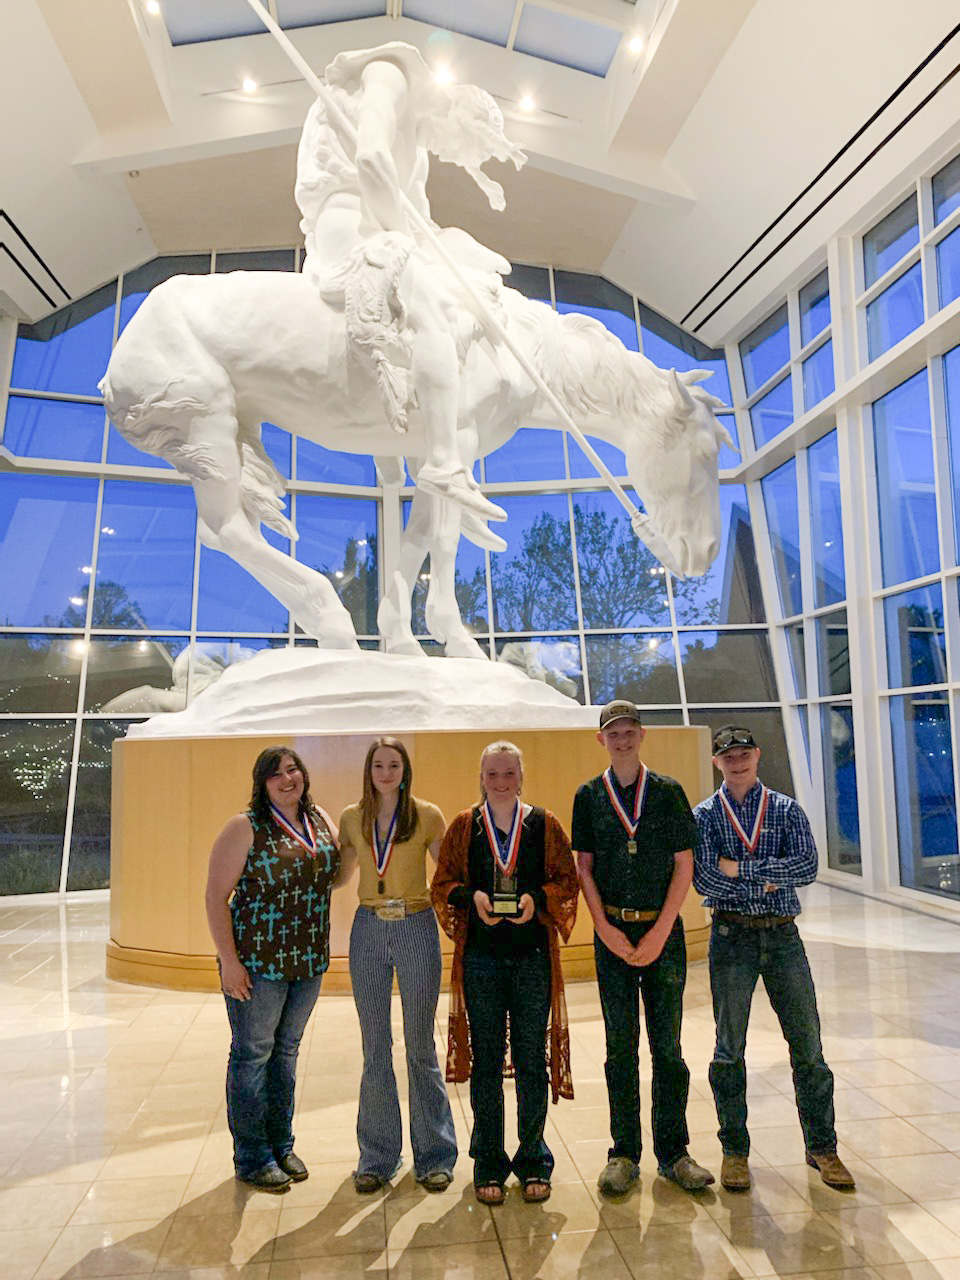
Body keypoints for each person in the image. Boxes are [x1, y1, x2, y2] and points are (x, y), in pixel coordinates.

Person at [295, 42, 525, 544]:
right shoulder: (388, 75)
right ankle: (442, 461)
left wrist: (461, 250)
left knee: (466, 291)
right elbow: (373, 160)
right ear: (458, 113)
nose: (451, 155)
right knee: (434, 306)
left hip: (379, 226)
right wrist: (409, 247)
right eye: (462, 147)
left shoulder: (417, 148)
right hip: (349, 221)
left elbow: (423, 223)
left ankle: (412, 442)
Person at [692, 725, 855, 1192]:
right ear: (716, 762)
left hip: (783, 938)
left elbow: (806, 867)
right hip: (731, 938)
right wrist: (768, 877)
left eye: (744, 753)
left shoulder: (785, 809)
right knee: (729, 1051)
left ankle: (822, 1147)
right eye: (728, 756)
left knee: (809, 1049)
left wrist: (742, 868)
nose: (737, 761)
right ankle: (735, 1151)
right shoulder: (704, 816)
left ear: (757, 756)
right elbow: (706, 880)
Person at [573, 700, 714, 1197]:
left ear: (642, 734)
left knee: (668, 1048)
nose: (623, 739)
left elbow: (684, 864)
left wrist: (660, 931)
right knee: (619, 1047)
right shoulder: (589, 796)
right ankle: (624, 1153)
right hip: (611, 934)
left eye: (630, 731)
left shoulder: (669, 792)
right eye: (614, 732)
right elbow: (584, 867)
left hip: (663, 935)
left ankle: (674, 1152)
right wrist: (604, 927)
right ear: (602, 740)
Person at [431, 740, 578, 1205]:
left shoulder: (544, 823)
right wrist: (470, 898)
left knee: (532, 1058)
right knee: (488, 1060)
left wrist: (536, 899)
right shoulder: (463, 825)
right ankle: (488, 1160)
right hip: (482, 960)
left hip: (532, 955)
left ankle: (534, 1158)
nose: (500, 782)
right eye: (492, 774)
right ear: (481, 776)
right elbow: (444, 884)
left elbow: (566, 880)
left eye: (508, 773)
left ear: (521, 775)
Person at [205, 746, 339, 1192]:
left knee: (286, 1054)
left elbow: (337, 873)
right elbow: (215, 898)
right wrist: (229, 962)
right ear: (261, 783)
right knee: (252, 1057)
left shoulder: (319, 819)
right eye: (275, 774)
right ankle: (252, 1156)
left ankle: (282, 1143)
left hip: (307, 962)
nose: (287, 779)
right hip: (258, 965)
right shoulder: (244, 827)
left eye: (293, 769)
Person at [337, 737, 457, 1193]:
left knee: (421, 1046)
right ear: (368, 771)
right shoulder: (352, 817)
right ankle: (377, 1155)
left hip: (415, 924)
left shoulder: (427, 815)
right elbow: (342, 874)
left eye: (394, 765)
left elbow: (447, 874)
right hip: (368, 928)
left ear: (405, 771)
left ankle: (435, 1155)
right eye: (378, 765)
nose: (386, 772)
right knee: (375, 1046)